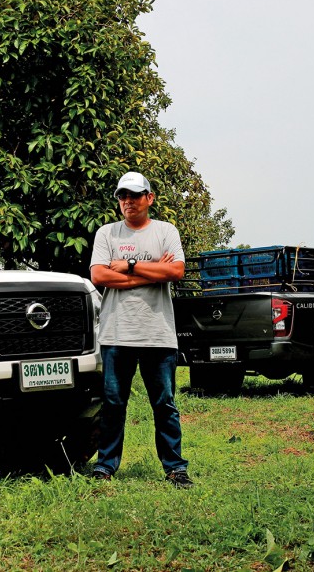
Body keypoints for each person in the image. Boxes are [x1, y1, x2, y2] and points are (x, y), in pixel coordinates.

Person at [88, 171, 192, 487]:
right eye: (123, 196)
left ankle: (175, 468)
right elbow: (99, 276)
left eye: (134, 195)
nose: (128, 202)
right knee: (113, 404)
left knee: (164, 404)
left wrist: (129, 266)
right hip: (117, 332)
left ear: (149, 198)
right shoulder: (107, 234)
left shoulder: (165, 231)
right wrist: (150, 274)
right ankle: (105, 466)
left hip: (157, 333)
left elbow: (176, 270)